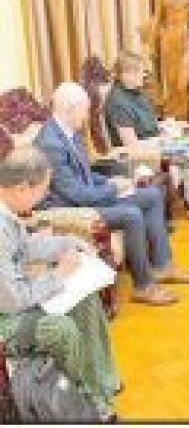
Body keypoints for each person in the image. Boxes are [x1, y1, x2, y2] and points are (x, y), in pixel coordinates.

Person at [34, 82, 189, 306]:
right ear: (70, 109)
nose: (87, 116)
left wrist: (110, 181)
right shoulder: (50, 144)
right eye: (85, 110)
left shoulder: (68, 131)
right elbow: (75, 194)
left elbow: (84, 173)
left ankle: (162, 265)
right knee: (131, 214)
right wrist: (113, 189)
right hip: (71, 208)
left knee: (151, 195)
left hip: (86, 196)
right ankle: (143, 287)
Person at [0, 146, 120, 419]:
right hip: (7, 319)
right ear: (21, 188)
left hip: (14, 300)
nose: (43, 199)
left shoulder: (7, 213)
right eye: (42, 191)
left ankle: (100, 386)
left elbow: (26, 248)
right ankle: (80, 405)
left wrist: (69, 243)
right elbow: (13, 301)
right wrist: (59, 275)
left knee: (86, 300)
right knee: (61, 329)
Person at [104, 51, 189, 220]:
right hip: (138, 150)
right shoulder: (118, 103)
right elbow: (131, 145)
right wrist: (162, 139)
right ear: (128, 74)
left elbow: (146, 123)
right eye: (141, 72)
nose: (144, 75)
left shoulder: (135, 92)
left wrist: (167, 125)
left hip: (154, 140)